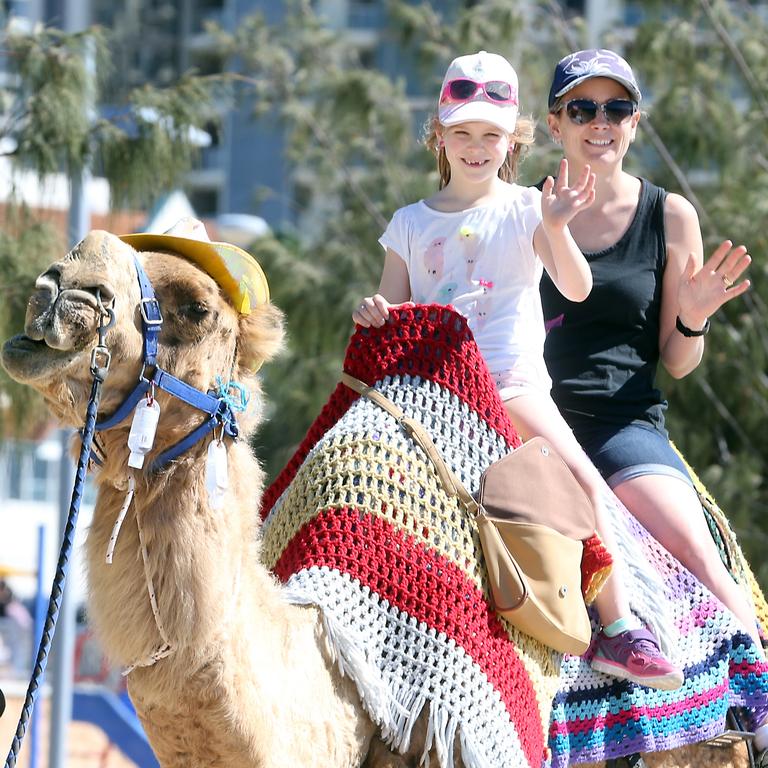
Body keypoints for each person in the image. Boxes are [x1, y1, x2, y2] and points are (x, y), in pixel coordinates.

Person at [352, 50, 682, 690]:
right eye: (463, 133)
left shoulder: (528, 208)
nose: (476, 147)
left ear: (512, 141)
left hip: (508, 386)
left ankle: (617, 629)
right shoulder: (409, 224)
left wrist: (557, 227)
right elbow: (392, 307)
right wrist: (374, 311)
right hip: (430, 391)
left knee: (587, 484)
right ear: (439, 137)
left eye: (491, 135)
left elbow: (577, 287)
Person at [539, 46, 766, 734]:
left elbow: (678, 361)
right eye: (583, 108)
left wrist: (693, 315)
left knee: (694, 550)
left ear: (636, 122)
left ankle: (756, 688)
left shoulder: (671, 217)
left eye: (617, 108)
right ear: (555, 125)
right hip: (531, 422)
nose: (600, 122)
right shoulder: (527, 210)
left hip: (623, 423)